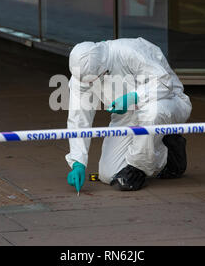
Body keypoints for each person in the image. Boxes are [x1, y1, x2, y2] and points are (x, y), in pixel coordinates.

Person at [65, 38, 192, 192]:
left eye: (95, 80)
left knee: (151, 113)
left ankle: (138, 169)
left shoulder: (128, 51)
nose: (91, 85)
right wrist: (78, 162)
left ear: (104, 68)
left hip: (166, 101)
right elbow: (79, 118)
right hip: (127, 115)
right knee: (108, 175)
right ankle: (169, 153)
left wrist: (134, 98)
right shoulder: (82, 74)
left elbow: (164, 83)